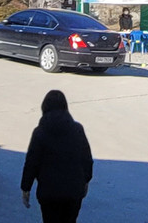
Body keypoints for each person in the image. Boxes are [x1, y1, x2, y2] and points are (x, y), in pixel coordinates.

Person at [21, 90, 93, 223]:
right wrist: (86, 180)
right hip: (73, 192)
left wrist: (26, 187)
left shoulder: (40, 132)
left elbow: (32, 162)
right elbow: (86, 159)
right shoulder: (77, 129)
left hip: (49, 193)